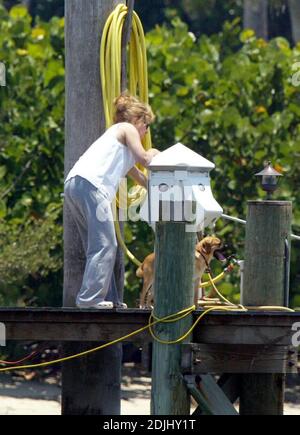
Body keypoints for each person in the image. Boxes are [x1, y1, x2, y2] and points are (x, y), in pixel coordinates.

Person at [64, 93, 160, 309]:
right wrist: (156, 153)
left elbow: (143, 179)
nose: (146, 132)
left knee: (99, 245)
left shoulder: (119, 145)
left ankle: (109, 299)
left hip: (76, 184)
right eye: (147, 126)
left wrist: (160, 186)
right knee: (106, 244)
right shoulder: (127, 129)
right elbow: (146, 158)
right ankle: (90, 299)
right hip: (91, 185)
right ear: (138, 120)